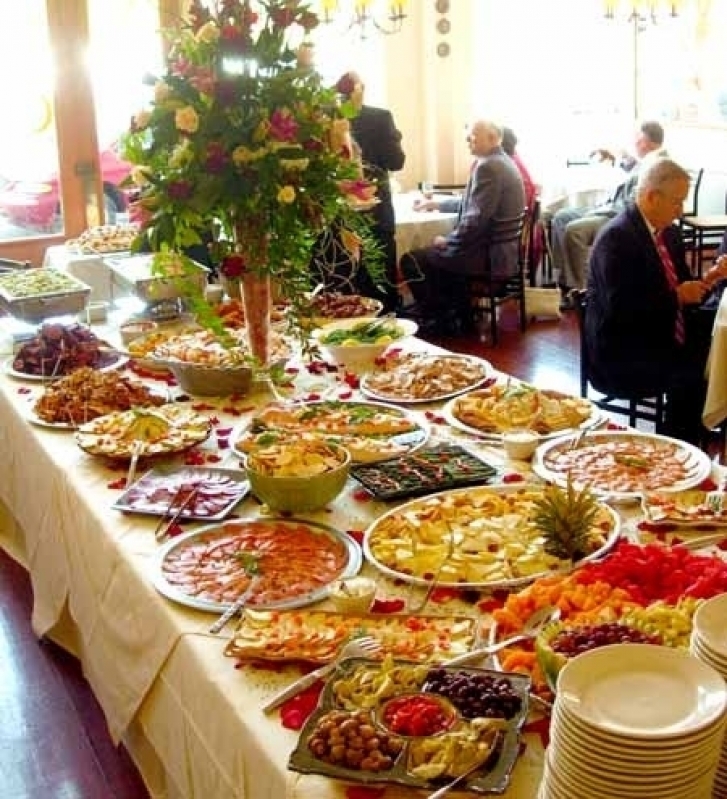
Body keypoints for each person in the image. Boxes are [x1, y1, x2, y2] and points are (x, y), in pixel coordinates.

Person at [585, 157, 727, 446]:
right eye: (677, 202)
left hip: (658, 334)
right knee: (692, 378)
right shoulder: (616, 238)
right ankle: (675, 448)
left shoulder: (669, 233)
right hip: (622, 349)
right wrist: (676, 296)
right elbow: (621, 310)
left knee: (715, 361)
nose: (681, 211)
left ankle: (692, 437)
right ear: (651, 197)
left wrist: (711, 278)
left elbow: (686, 291)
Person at [398, 119, 525, 332]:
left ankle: (440, 319)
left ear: (492, 138)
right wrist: (436, 203)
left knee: (412, 259)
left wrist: (447, 241)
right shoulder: (503, 162)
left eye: (473, 136)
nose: (467, 140)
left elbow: (475, 220)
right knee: (431, 256)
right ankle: (456, 310)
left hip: (486, 256)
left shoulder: (488, 167)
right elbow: (475, 204)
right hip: (503, 252)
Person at [553, 120, 667, 306]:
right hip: (609, 207)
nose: (635, 143)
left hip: (616, 214)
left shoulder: (657, 162)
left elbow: (634, 202)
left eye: (638, 139)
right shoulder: (646, 160)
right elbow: (630, 170)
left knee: (574, 230)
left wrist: (596, 212)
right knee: (560, 217)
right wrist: (617, 157)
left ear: (649, 142)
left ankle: (582, 291)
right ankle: (566, 281)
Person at [334, 71, 406, 312]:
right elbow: (396, 162)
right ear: (360, 90)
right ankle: (386, 323)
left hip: (339, 209)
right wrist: (395, 139)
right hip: (375, 208)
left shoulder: (325, 120)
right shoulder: (380, 118)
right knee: (379, 275)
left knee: (343, 274)